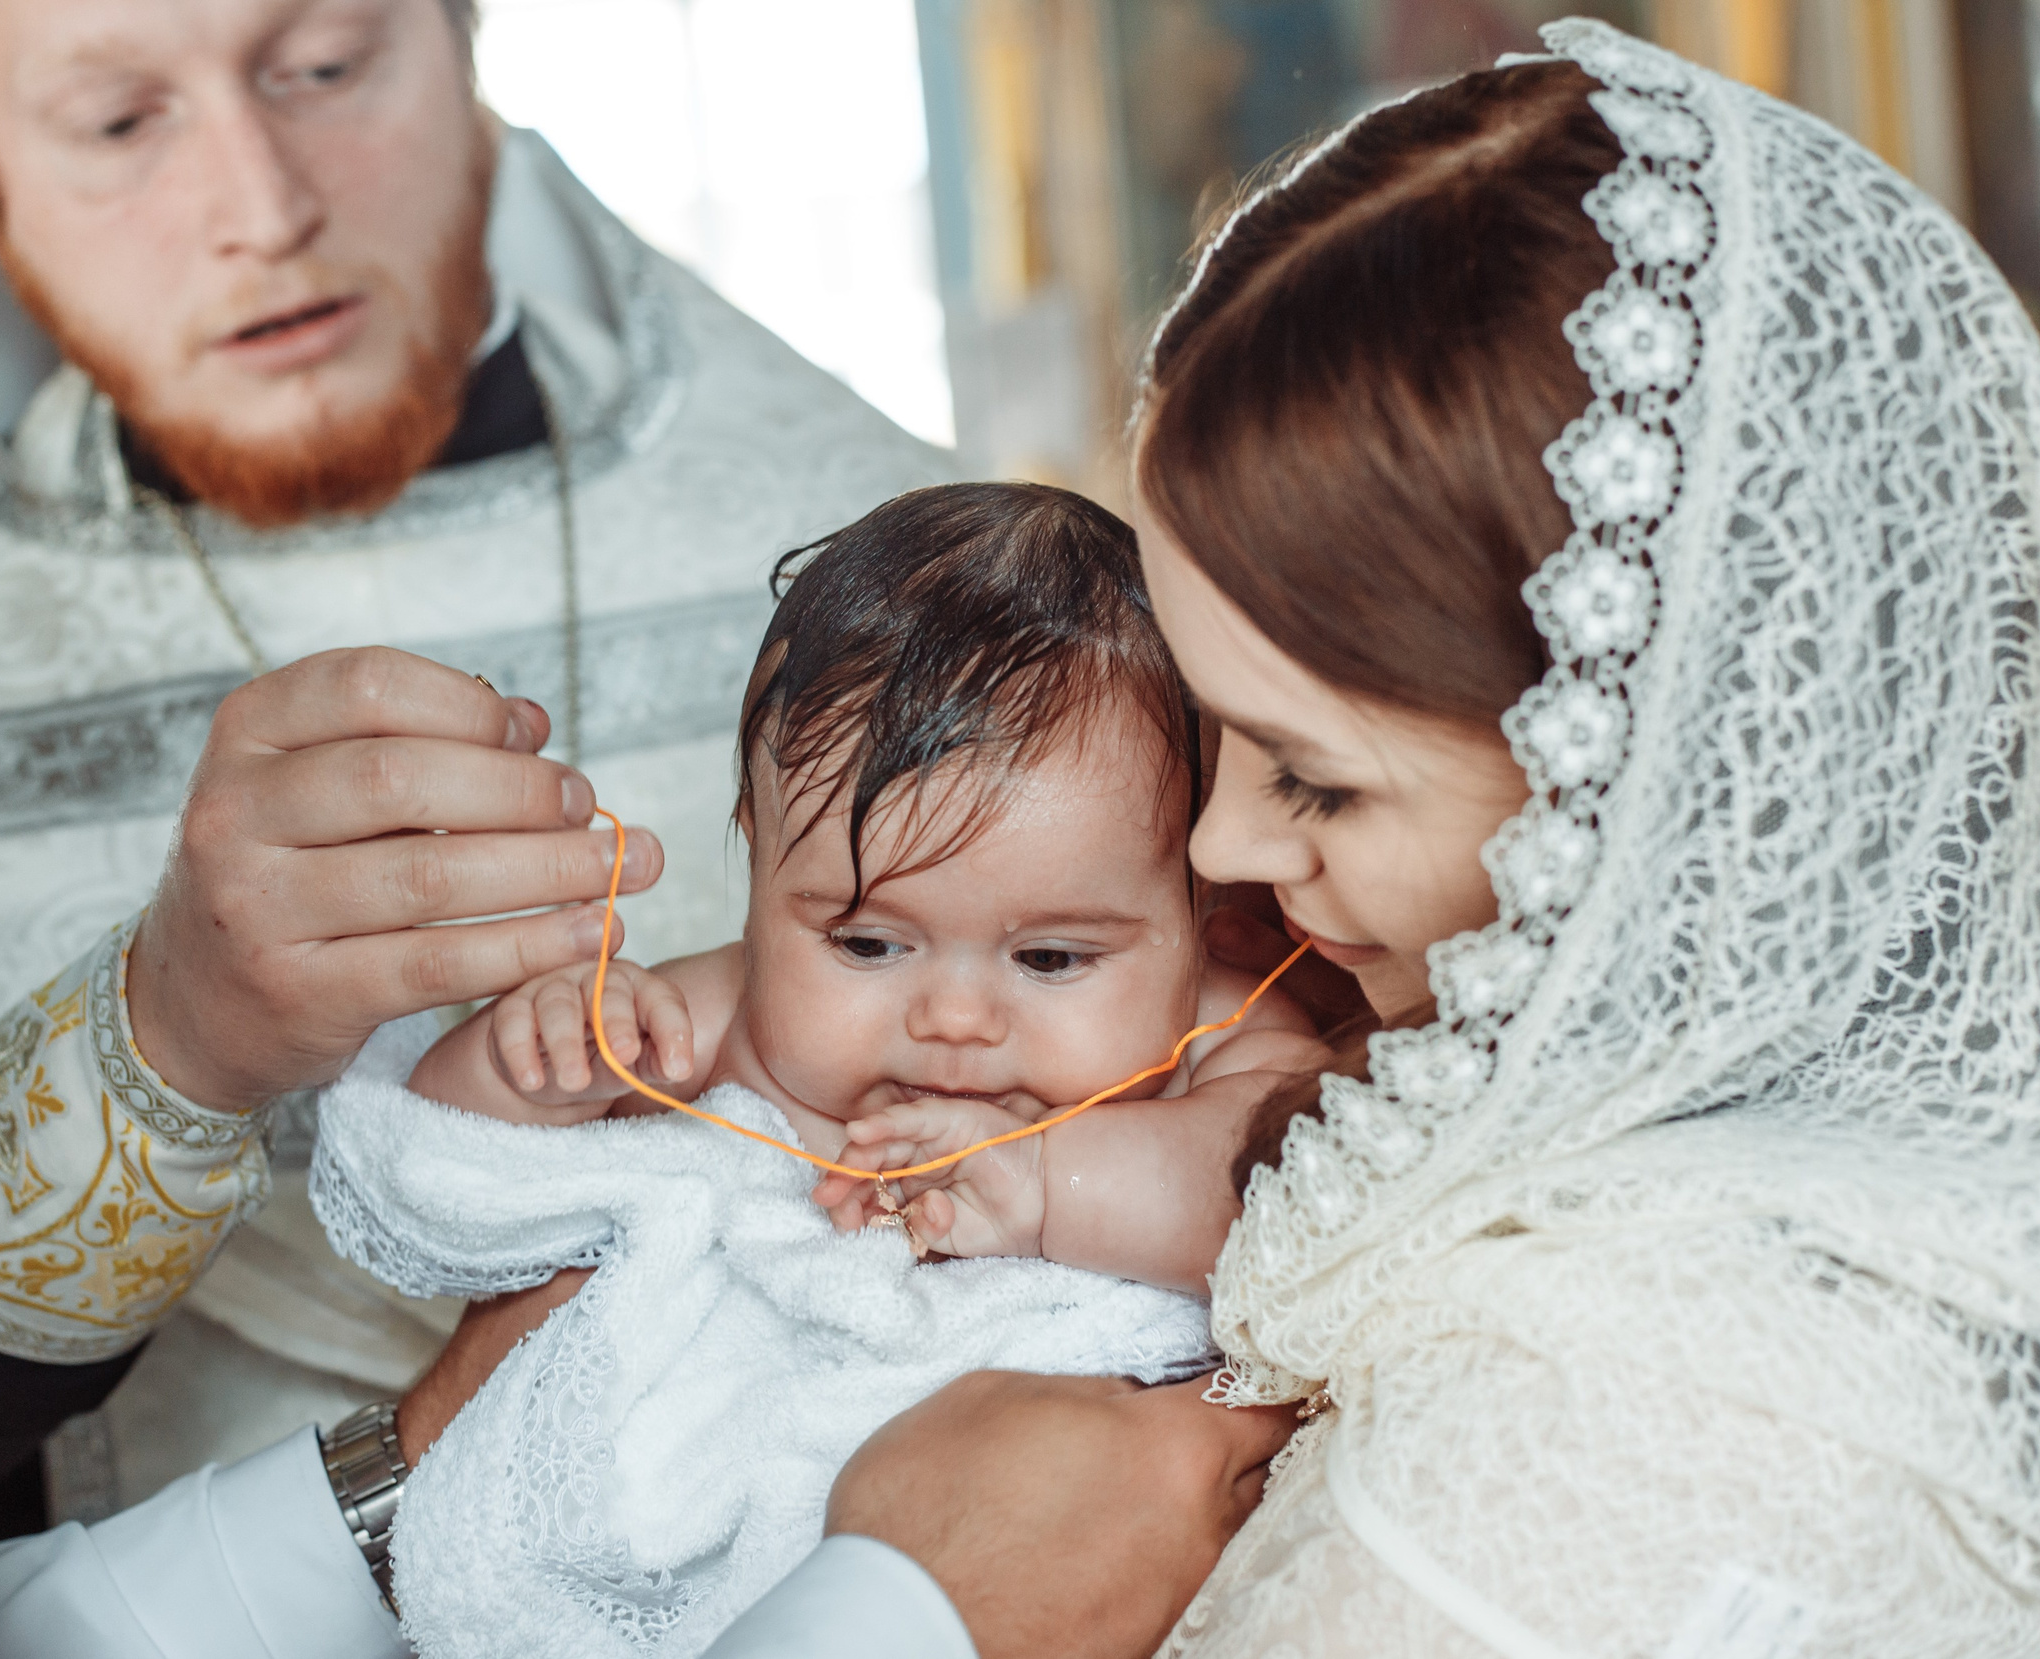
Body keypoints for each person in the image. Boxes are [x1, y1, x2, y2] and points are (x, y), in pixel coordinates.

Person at [745, 22, 2040, 1658]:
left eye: (1314, 780)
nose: (1219, 844)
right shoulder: (1534, 1124)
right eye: (1216, 736)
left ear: (1669, 793)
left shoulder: (1598, 1452)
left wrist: (906, 1593)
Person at [0, 0, 950, 1546]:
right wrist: (162, 1042)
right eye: (121, 121)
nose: (263, 209)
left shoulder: (885, 557)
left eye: (327, 66)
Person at [309, 482, 1322, 1655]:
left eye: (1050, 957)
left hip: (1061, 1544)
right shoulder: (735, 1011)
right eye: (868, 943)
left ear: (1206, 908)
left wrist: (1048, 1183)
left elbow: (1293, 1198)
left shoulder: (1222, 1027)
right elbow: (440, 1179)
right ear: (756, 860)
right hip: (727, 1540)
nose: (949, 1016)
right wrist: (529, 1064)